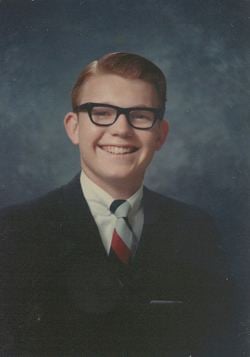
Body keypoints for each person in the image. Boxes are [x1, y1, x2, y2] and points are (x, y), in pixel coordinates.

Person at [0, 52, 233, 356]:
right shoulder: (14, 231)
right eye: (102, 112)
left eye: (140, 115)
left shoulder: (197, 230)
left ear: (160, 135)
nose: (121, 129)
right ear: (74, 127)